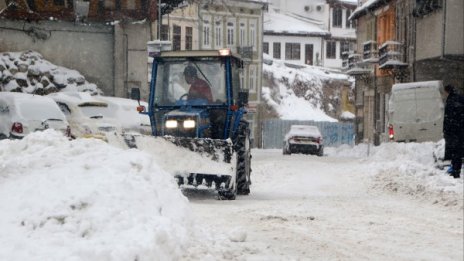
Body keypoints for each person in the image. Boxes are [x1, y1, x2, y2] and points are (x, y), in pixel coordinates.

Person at [443, 84, 464, 178]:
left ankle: (456, 171)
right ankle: (455, 170)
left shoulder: (451, 101)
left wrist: (446, 130)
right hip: (460, 130)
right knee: (458, 152)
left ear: (448, 91)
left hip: (454, 131)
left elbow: (448, 118)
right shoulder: (460, 98)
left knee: (456, 152)